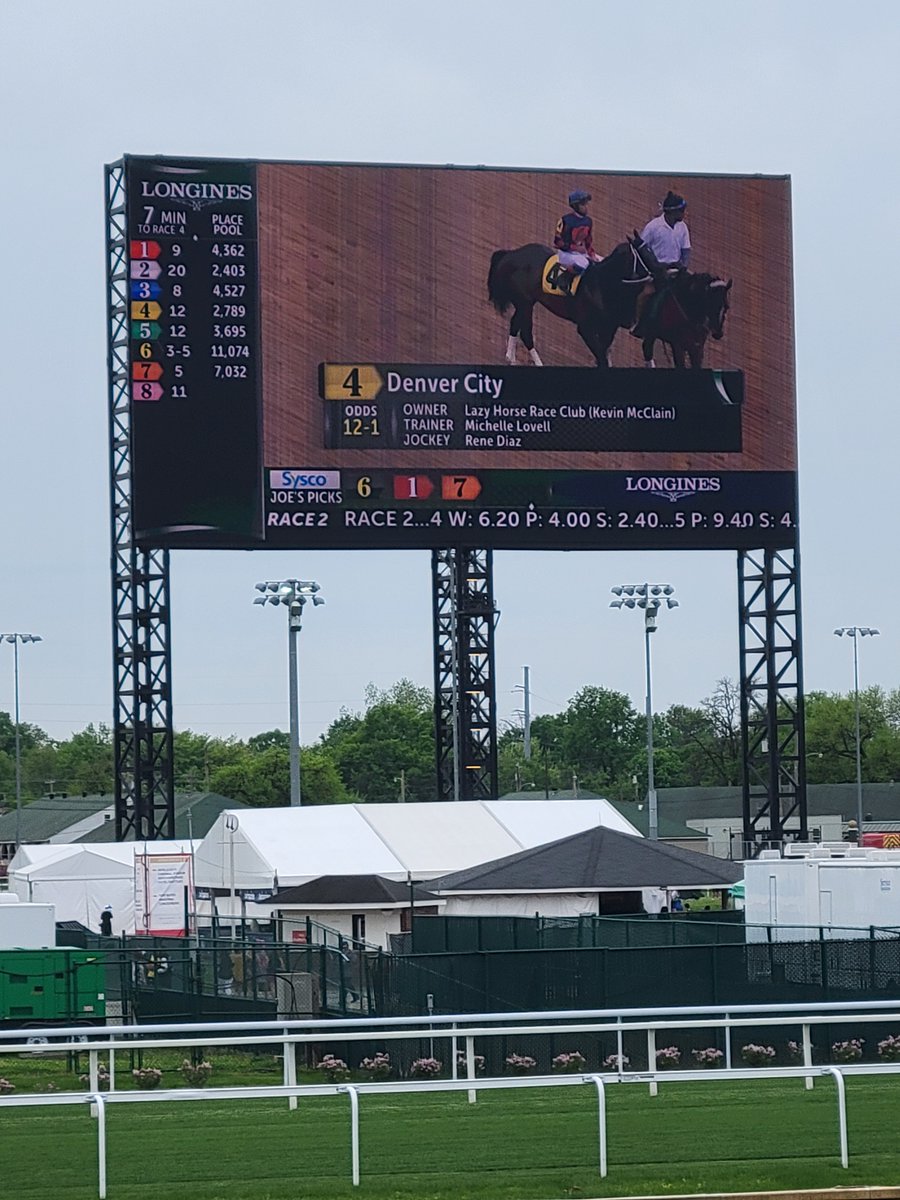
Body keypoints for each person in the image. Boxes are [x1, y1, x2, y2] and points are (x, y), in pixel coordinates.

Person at [632, 190, 691, 338]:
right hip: (657, 271)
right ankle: (638, 324)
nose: (684, 213)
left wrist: (684, 265)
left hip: (677, 269)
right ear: (672, 212)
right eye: (681, 210)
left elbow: (686, 249)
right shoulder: (653, 227)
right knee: (645, 295)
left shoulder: (682, 227)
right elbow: (642, 249)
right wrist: (654, 268)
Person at [553, 189, 603, 293]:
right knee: (584, 263)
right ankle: (563, 279)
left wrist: (592, 253)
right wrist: (574, 248)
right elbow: (557, 242)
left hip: (580, 252)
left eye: (586, 204)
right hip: (566, 253)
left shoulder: (588, 221)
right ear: (575, 206)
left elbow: (588, 240)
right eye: (583, 204)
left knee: (602, 262)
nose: (586, 207)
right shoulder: (565, 220)